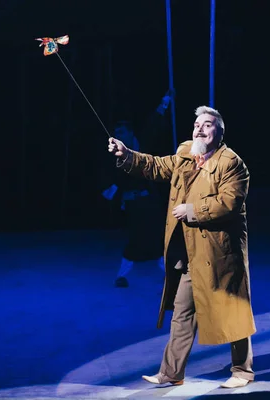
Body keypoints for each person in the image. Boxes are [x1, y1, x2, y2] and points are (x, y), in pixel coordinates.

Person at [107, 106, 256, 388]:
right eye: (197, 124)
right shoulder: (186, 153)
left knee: (232, 310)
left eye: (208, 125)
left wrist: (193, 210)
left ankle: (242, 371)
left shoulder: (231, 163)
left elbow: (229, 202)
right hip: (189, 252)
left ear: (220, 132)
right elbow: (155, 165)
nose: (199, 128)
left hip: (220, 253)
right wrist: (127, 155)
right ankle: (171, 373)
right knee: (182, 312)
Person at [102, 119, 166, 288]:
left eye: (121, 132)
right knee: (136, 239)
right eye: (116, 134)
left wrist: (166, 100)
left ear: (130, 133)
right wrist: (114, 192)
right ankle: (121, 276)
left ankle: (170, 277)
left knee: (156, 238)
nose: (118, 136)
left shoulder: (141, 145)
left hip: (150, 201)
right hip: (133, 204)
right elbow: (113, 178)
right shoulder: (116, 154)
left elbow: (154, 125)